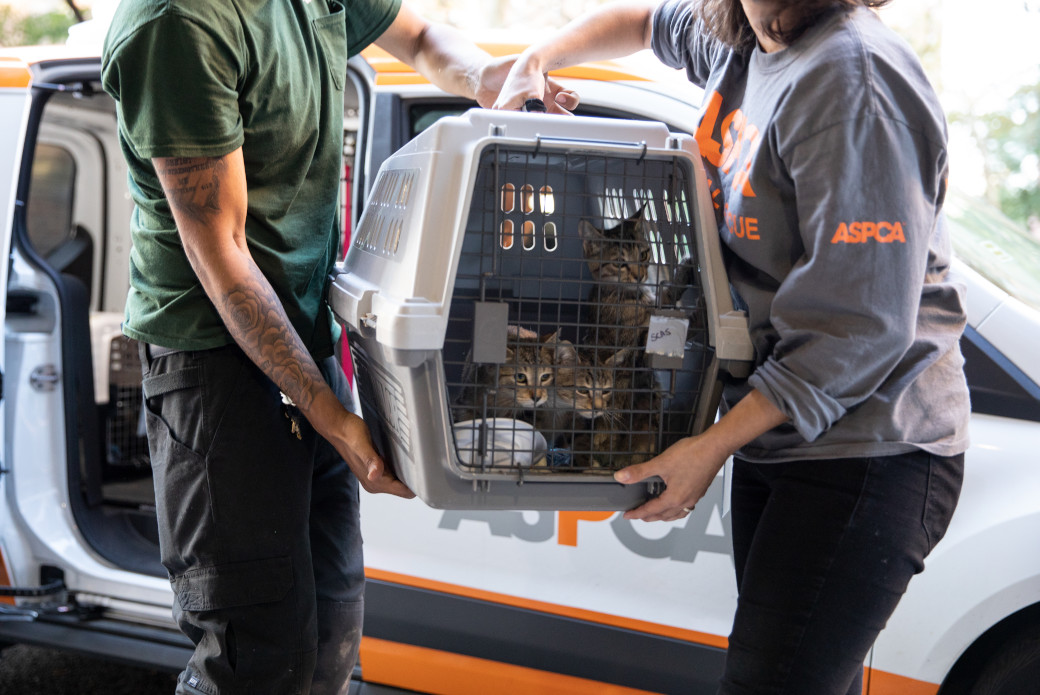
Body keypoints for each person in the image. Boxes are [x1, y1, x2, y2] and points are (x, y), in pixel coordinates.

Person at [494, 1, 970, 693]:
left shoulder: (854, 79)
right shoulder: (746, 36)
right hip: (782, 433)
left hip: (871, 445)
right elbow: (646, 21)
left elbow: (862, 324)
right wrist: (535, 62)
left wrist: (709, 445)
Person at [100, 2, 574, 693]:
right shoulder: (177, 24)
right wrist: (334, 416)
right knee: (255, 657)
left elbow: (416, 33)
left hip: (306, 337)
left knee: (332, 634)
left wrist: (483, 74)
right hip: (213, 366)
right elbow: (223, 254)